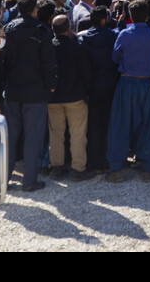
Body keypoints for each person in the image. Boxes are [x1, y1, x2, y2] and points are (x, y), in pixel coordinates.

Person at [1, 0, 58, 192]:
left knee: (10, 138)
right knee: (33, 138)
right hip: (35, 92)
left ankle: (4, 180)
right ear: (34, 10)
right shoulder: (42, 31)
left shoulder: (7, 29)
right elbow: (48, 62)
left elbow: (2, 60)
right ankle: (29, 181)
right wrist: (50, 84)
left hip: (12, 90)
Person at [106, 0, 150, 183]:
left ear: (129, 15)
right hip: (148, 84)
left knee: (121, 124)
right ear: (147, 15)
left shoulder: (124, 34)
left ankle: (116, 167)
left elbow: (115, 58)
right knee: (147, 125)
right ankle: (148, 168)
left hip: (127, 83)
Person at [48, 15, 93, 181]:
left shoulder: (48, 48)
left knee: (56, 133)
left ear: (53, 30)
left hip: (53, 98)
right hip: (75, 97)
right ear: (69, 28)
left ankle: (57, 166)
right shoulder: (77, 47)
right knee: (78, 134)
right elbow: (86, 74)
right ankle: (78, 168)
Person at [78, 6, 117, 174]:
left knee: (93, 125)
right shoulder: (113, 37)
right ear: (103, 20)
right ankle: (108, 158)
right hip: (109, 86)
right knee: (109, 123)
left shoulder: (83, 39)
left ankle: (94, 161)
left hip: (91, 87)